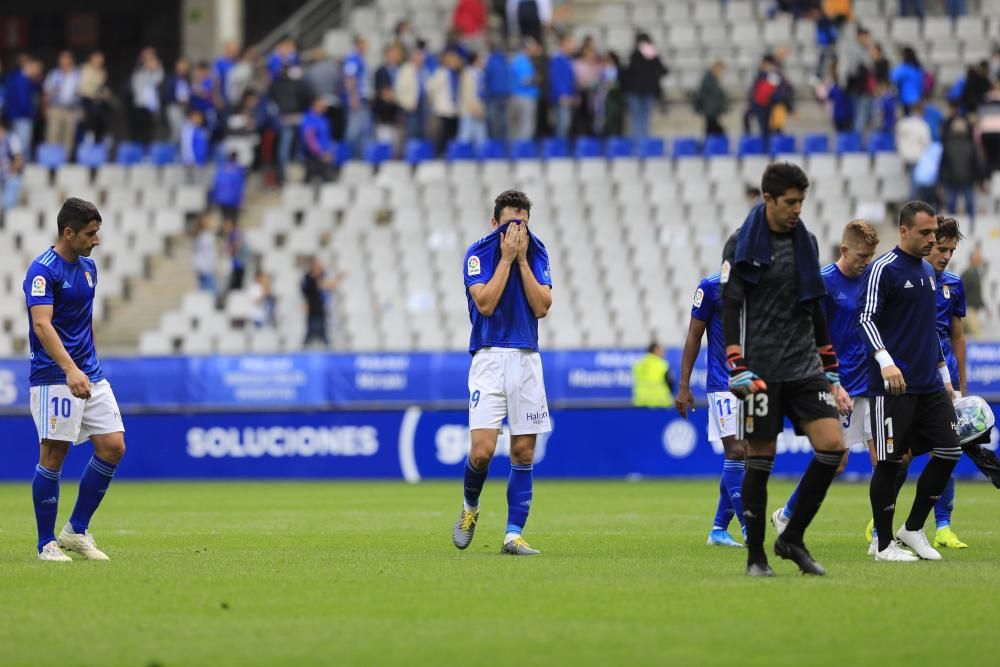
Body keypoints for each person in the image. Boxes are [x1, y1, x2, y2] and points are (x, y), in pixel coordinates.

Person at [720, 163, 847, 577]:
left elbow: (815, 304)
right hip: (759, 369)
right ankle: (755, 557)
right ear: (768, 199)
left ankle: (791, 537)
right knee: (761, 458)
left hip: (804, 364)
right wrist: (735, 360)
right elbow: (732, 303)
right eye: (790, 202)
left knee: (832, 447)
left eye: (801, 202)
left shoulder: (805, 242)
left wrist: (830, 365)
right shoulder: (740, 244)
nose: (797, 209)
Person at [859, 201, 963, 562]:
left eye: (934, 232)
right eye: (925, 233)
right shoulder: (882, 269)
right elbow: (866, 319)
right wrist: (886, 362)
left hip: (929, 386)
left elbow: (929, 328)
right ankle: (884, 544)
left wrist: (946, 376)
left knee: (950, 449)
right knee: (890, 462)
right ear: (904, 231)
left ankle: (914, 528)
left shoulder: (927, 272)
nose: (933, 239)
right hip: (893, 387)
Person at [23, 198, 126, 561]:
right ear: (68, 232)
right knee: (54, 455)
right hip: (55, 375)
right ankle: (46, 543)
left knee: (113, 446)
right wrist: (70, 369)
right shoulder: (42, 271)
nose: (96, 240)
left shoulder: (89, 269)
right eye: (90, 233)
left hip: (90, 373)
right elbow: (41, 324)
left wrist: (87, 365)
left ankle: (75, 531)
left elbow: (84, 321)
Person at [453, 190, 552, 556]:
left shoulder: (537, 251)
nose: (516, 231)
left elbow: (542, 307)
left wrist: (523, 261)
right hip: (489, 357)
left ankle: (513, 534)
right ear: (495, 223)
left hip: (526, 357)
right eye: (511, 223)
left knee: (523, 452)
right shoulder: (478, 254)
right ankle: (470, 508)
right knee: (482, 451)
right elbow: (486, 303)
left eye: (522, 224)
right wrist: (507, 260)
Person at [771, 220, 880, 539]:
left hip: (871, 383)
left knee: (884, 459)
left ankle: (881, 536)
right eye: (862, 255)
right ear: (844, 249)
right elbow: (808, 337)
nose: (866, 262)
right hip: (837, 383)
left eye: (871, 256)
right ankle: (788, 514)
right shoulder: (823, 284)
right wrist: (833, 384)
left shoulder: (871, 279)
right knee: (836, 461)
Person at [676, 273, 748, 548]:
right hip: (724, 383)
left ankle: (718, 530)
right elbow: (694, 335)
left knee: (748, 457)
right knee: (737, 451)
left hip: (754, 383)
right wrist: (684, 385)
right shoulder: (710, 287)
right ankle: (749, 528)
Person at [926, 217, 969, 549]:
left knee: (948, 449)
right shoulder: (904, 278)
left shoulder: (953, 284)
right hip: (914, 374)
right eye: (942, 248)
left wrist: (962, 385)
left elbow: (957, 336)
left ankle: (943, 526)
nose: (946, 256)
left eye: (951, 250)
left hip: (947, 379)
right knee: (903, 453)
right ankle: (881, 520)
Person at [939, 101, 981, 226]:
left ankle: (955, 229)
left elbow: (942, 166)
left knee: (956, 206)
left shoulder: (950, 145)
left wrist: (941, 181)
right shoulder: (969, 145)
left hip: (956, 180)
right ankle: (968, 227)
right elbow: (977, 164)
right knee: (967, 205)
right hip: (963, 179)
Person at [624, 32, 668, 147]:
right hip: (642, 91)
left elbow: (662, 70)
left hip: (642, 91)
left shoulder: (639, 55)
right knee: (640, 118)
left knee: (640, 118)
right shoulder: (640, 55)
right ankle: (640, 143)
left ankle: (641, 144)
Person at [43, 51, 81, 157]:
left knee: (69, 135)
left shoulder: (77, 74)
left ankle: (65, 157)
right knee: (53, 133)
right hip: (56, 107)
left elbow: (82, 91)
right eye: (62, 60)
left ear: (71, 61)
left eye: (67, 59)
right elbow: (46, 92)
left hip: (71, 109)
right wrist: (46, 108)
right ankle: (52, 157)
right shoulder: (54, 73)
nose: (64, 62)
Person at [301, 256, 343, 348]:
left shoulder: (318, 277)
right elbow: (325, 285)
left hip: (320, 312)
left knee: (322, 337)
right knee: (311, 337)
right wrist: (338, 279)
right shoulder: (308, 278)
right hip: (313, 313)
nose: (321, 267)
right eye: (318, 265)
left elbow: (327, 285)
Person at [341, 35, 370, 158]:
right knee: (353, 130)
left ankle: (358, 157)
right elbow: (349, 79)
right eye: (364, 44)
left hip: (362, 98)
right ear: (358, 45)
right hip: (356, 99)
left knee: (363, 130)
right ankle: (346, 157)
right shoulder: (352, 58)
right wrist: (353, 97)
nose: (366, 47)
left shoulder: (360, 58)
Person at [508, 39, 540, 141]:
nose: (534, 50)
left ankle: (515, 149)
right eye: (532, 48)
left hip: (515, 96)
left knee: (516, 125)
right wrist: (536, 78)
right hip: (525, 97)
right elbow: (525, 81)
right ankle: (523, 149)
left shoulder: (516, 60)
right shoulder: (522, 61)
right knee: (526, 124)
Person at [373, 44, 403, 149]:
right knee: (384, 136)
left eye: (396, 54)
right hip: (384, 110)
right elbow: (381, 89)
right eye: (392, 54)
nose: (394, 56)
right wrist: (391, 95)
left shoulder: (401, 70)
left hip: (397, 109)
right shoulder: (381, 70)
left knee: (396, 138)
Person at [301, 97, 335, 183]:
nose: (324, 107)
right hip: (313, 158)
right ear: (314, 105)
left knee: (327, 183)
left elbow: (326, 138)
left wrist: (329, 151)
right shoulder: (309, 119)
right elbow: (309, 139)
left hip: (324, 156)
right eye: (321, 105)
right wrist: (320, 153)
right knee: (309, 182)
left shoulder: (323, 119)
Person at [549, 33, 577, 140]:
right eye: (570, 43)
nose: (572, 46)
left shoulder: (568, 60)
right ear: (563, 44)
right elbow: (556, 78)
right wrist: (561, 94)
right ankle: (558, 148)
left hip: (569, 96)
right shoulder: (557, 59)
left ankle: (560, 147)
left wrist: (574, 94)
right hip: (562, 97)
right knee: (563, 123)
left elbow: (571, 80)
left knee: (565, 123)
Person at [458, 51, 488, 147]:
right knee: (465, 136)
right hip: (469, 110)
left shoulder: (482, 74)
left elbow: (483, 93)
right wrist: (473, 107)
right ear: (476, 60)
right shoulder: (468, 74)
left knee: (481, 138)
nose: (483, 61)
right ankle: (461, 158)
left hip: (480, 110)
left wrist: (481, 107)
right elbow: (466, 93)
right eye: (481, 59)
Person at [632, 342, 675, 408]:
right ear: (655, 350)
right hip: (660, 402)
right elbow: (670, 383)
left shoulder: (638, 364)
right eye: (662, 350)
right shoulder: (663, 365)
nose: (664, 352)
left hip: (641, 402)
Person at [695, 62, 728, 137]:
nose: (721, 73)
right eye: (721, 71)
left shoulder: (713, 79)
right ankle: (706, 145)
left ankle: (707, 145)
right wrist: (705, 107)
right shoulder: (709, 79)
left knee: (712, 129)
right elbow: (702, 94)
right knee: (713, 128)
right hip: (710, 110)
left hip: (713, 110)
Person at [960, 245, 987, 337]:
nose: (981, 258)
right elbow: (960, 291)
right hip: (969, 310)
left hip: (972, 310)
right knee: (979, 336)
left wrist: (985, 307)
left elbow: (977, 294)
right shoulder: (968, 273)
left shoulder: (975, 272)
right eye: (978, 256)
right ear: (973, 258)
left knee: (962, 337)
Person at [211, 153, 246, 224]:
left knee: (224, 217)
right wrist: (239, 201)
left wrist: (214, 199)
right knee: (233, 218)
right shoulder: (237, 171)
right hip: (232, 199)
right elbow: (238, 187)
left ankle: (224, 229)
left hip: (222, 198)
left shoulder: (221, 169)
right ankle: (231, 232)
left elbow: (216, 185)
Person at [0, 119, 25, 212]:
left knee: (13, 182)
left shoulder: (12, 139)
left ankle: (7, 213)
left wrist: (12, 171)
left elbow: (19, 159)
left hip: (10, 175)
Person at [192, 213, 218, 294]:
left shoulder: (209, 234)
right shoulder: (199, 236)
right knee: (208, 293)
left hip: (211, 268)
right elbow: (197, 253)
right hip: (204, 268)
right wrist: (199, 266)